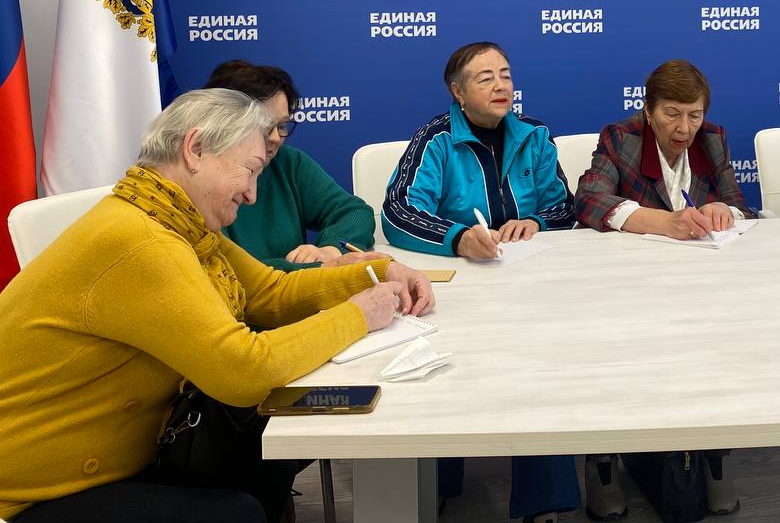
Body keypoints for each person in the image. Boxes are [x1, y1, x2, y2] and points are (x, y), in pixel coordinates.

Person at [0, 89, 434, 523]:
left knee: (272, 441)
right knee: (236, 511)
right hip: (36, 491)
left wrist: (376, 274)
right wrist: (358, 314)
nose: (252, 194)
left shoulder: (174, 221)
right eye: (250, 170)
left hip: (129, 448)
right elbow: (243, 370)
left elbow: (269, 292)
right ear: (195, 149)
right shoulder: (142, 242)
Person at [382, 41, 580, 523]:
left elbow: (565, 206)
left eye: (506, 75)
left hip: (530, 286)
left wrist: (535, 221)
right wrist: (458, 239)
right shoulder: (435, 140)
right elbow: (398, 211)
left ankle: (545, 503)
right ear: (458, 91)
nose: (500, 85)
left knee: (542, 371)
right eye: (485, 77)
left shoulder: (535, 135)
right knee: (445, 369)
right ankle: (437, 486)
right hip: (462, 288)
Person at [575, 59, 754, 519]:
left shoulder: (713, 138)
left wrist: (723, 212)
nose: (684, 128)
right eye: (672, 114)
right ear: (649, 110)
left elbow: (740, 206)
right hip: (627, 289)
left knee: (719, 346)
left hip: (697, 287)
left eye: (694, 114)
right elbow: (590, 200)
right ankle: (603, 461)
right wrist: (664, 222)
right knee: (610, 353)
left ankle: (714, 455)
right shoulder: (621, 137)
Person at [205, 60, 382, 269]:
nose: (276, 137)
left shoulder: (286, 162)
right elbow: (229, 271)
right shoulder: (202, 181)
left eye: (282, 125)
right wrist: (320, 269)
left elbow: (355, 212)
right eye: (264, 126)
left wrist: (332, 249)